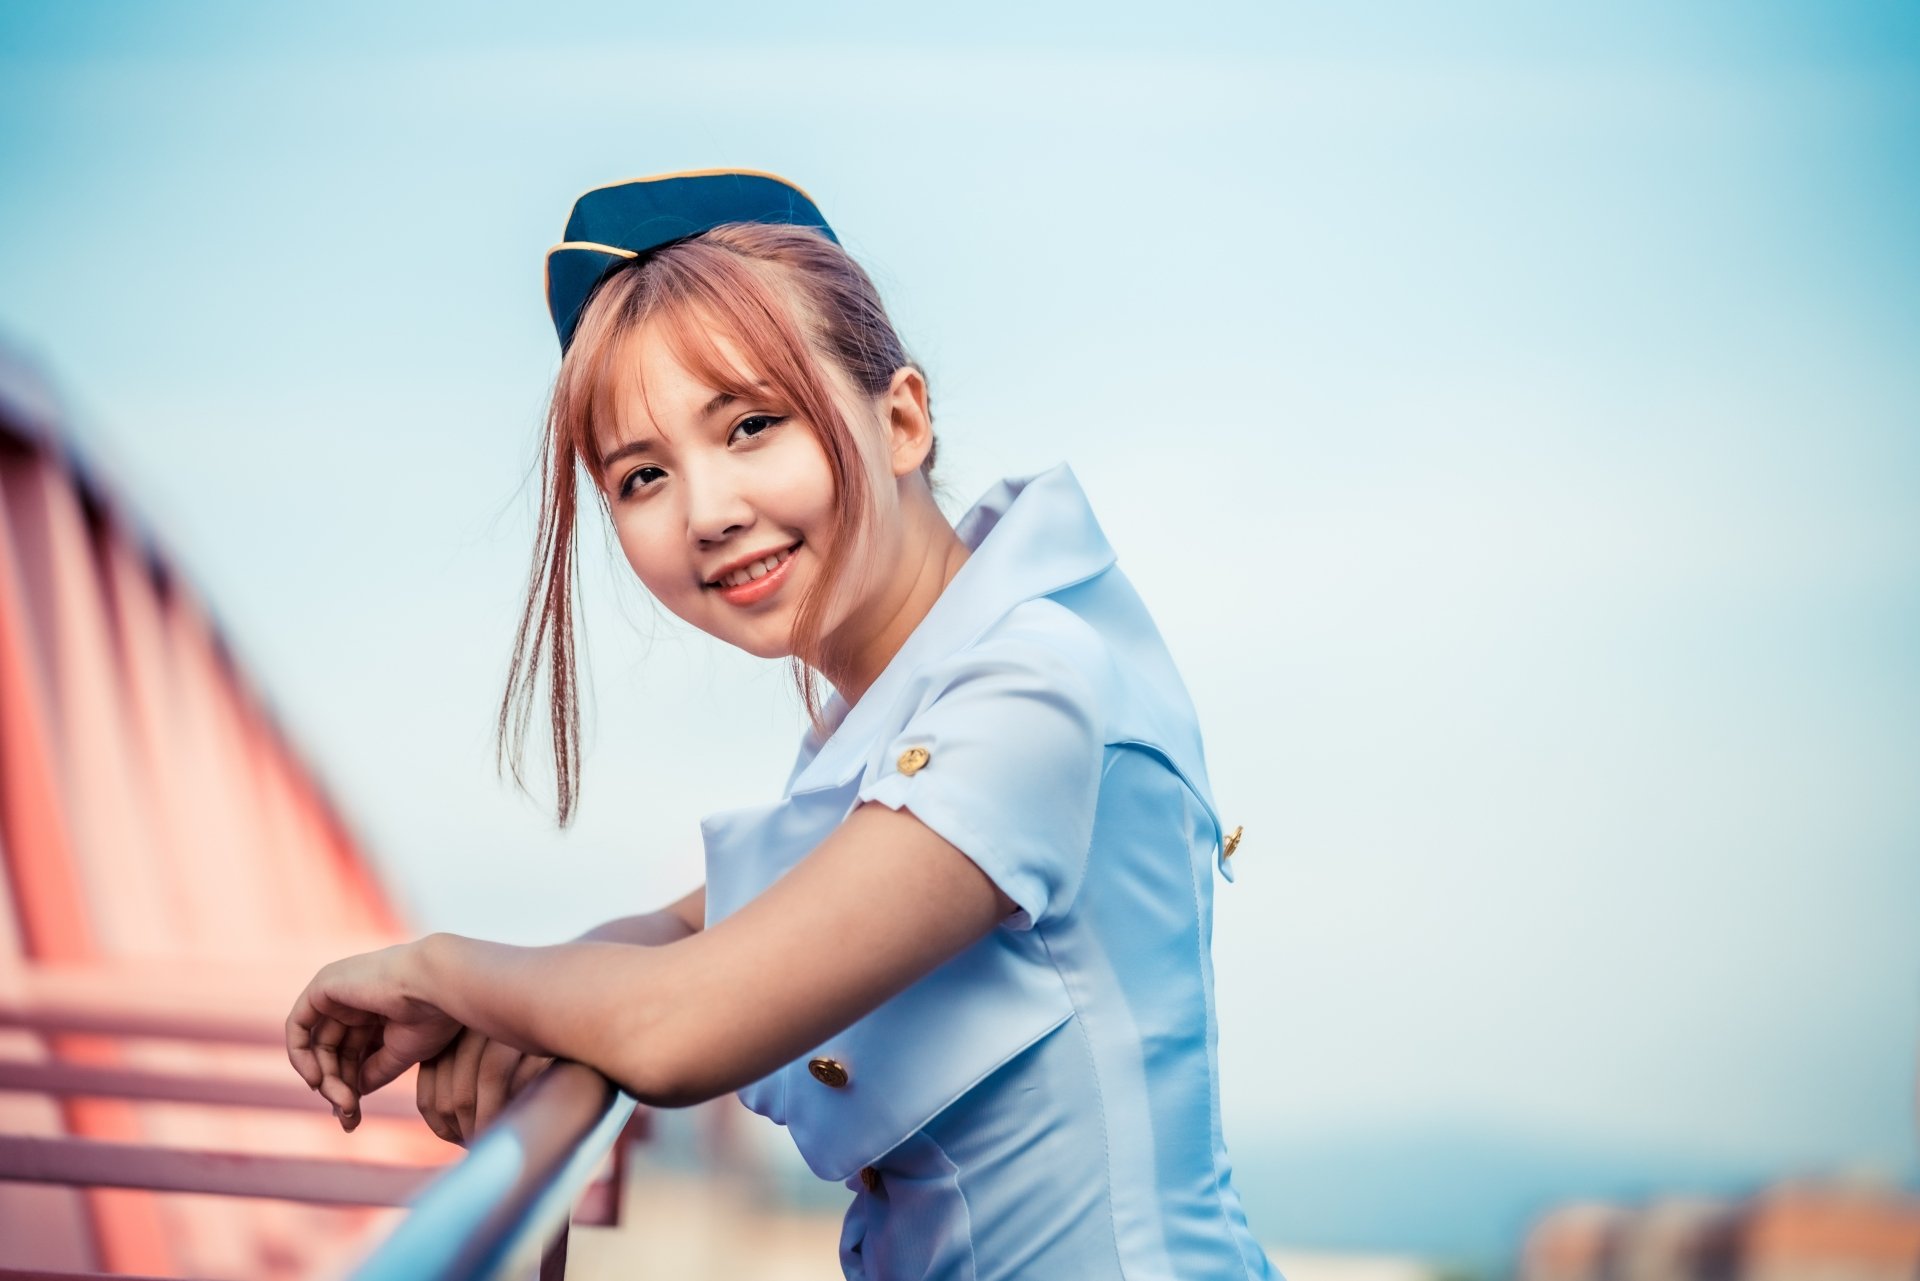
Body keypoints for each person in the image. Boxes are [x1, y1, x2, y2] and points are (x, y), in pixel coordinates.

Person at [285, 168, 1281, 1280]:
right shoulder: (901, 706)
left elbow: (678, 1025)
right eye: (643, 475)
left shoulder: (1025, 692)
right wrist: (527, 1004)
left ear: (900, 419)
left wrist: (440, 971)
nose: (707, 511)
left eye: (754, 424)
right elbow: (688, 933)